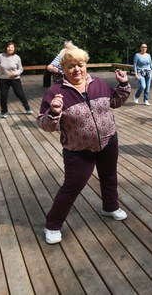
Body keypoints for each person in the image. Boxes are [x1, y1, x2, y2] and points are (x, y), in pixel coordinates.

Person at [37, 46, 131, 244]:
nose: (77, 69)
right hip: (78, 150)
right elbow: (45, 125)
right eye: (71, 66)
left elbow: (115, 102)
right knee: (72, 186)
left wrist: (123, 85)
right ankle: (53, 224)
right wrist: (54, 111)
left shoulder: (99, 84)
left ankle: (110, 206)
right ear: (63, 68)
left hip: (108, 140)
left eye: (80, 65)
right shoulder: (56, 92)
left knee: (109, 176)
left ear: (85, 64)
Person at [0, 41, 33, 118]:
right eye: (9, 47)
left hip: (15, 79)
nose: (10, 48)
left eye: (12, 47)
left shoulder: (17, 57)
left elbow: (21, 68)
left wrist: (16, 73)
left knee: (20, 94)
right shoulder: (1, 56)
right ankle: (4, 112)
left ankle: (27, 108)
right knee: (3, 96)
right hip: (3, 80)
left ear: (14, 49)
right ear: (6, 48)